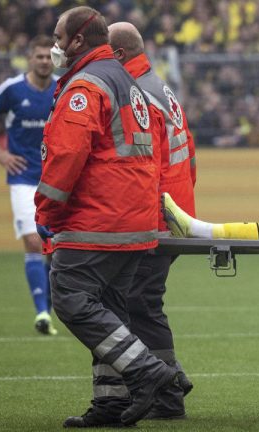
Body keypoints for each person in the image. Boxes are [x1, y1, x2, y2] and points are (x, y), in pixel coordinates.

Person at [35, 6, 180, 427]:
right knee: (111, 311)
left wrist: (46, 209)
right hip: (133, 219)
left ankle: (148, 371)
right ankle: (112, 402)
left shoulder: (86, 84)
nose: (56, 45)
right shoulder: (125, 80)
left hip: (99, 219)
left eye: (60, 37)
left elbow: (67, 155)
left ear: (79, 39)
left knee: (70, 297)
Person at [108, 21, 196, 420]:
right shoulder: (159, 87)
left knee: (139, 301)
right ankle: (165, 387)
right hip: (173, 211)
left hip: (157, 217)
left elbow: (144, 167)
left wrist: (154, 215)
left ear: (118, 55)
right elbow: (188, 153)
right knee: (140, 301)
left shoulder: (137, 92)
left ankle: (168, 389)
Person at [0, 35, 58, 335]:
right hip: (23, 176)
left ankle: (50, 302)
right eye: (39, 56)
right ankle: (43, 313)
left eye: (49, 56)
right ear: (29, 58)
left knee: (56, 247)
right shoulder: (12, 89)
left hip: (57, 179)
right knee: (34, 241)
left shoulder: (63, 88)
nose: (44, 61)